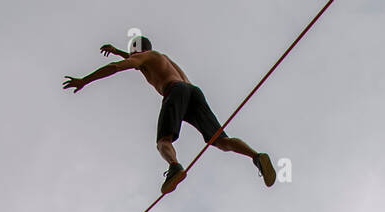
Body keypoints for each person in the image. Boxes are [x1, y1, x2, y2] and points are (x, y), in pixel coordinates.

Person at [64, 36, 276, 195]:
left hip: (174, 91)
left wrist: (84, 80)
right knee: (220, 140)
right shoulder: (162, 58)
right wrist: (119, 50)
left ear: (137, 51)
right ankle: (256, 157)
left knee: (162, 141)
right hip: (193, 91)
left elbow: (116, 67)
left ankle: (174, 167)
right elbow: (134, 59)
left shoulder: (143, 57)